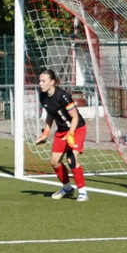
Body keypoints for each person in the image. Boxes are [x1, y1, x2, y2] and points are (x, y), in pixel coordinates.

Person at [36, 68, 88, 202]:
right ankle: (67, 188)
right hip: (62, 130)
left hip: (77, 128)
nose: (40, 84)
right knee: (54, 162)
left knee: (72, 159)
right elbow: (50, 114)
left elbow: (75, 117)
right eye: (40, 81)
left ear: (52, 82)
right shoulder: (42, 96)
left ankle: (82, 192)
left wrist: (71, 134)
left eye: (43, 81)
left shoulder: (63, 96)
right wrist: (46, 133)